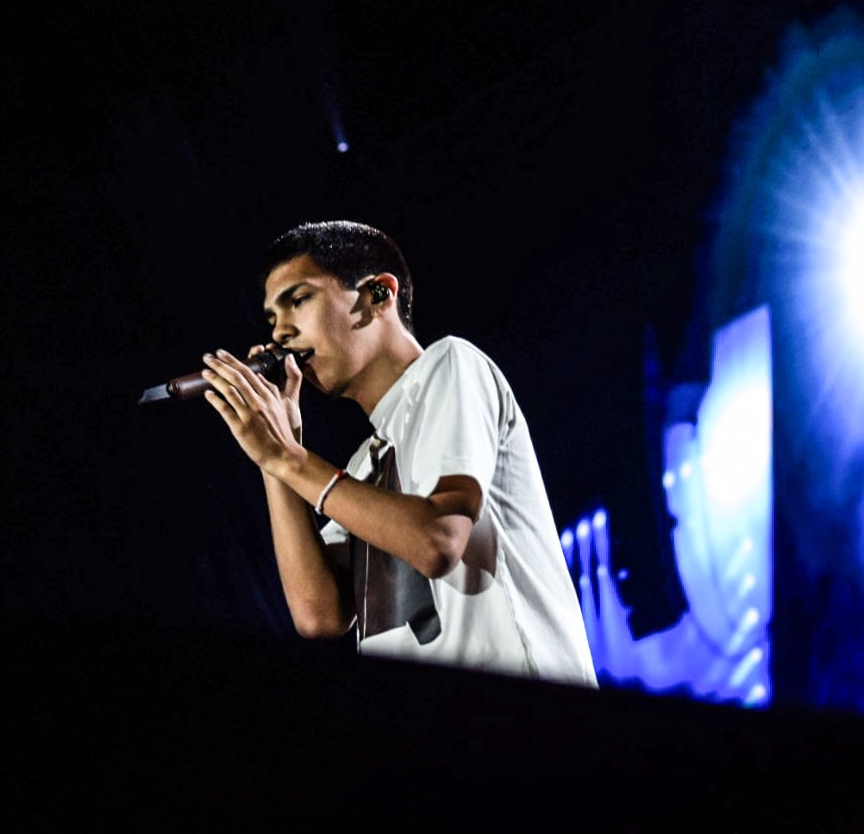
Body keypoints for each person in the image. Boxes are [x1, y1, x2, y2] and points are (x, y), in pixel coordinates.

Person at [195, 219, 598, 688]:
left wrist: (290, 458)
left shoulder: (451, 365)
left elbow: (437, 541)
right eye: (271, 319)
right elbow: (319, 615)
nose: (281, 333)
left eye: (299, 300)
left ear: (377, 295)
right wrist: (274, 456)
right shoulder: (365, 464)